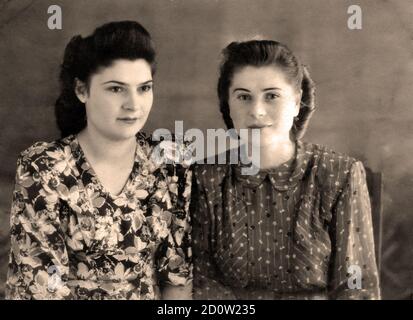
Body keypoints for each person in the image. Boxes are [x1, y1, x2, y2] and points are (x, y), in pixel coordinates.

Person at [6, 21, 192, 300]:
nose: (134, 105)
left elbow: (177, 280)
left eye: (144, 88)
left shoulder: (170, 162)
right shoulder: (44, 167)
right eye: (116, 89)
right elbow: (40, 289)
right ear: (82, 90)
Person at [190, 40, 380, 299]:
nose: (257, 111)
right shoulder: (206, 178)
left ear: (296, 101)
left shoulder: (338, 175)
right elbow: (202, 283)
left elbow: (357, 289)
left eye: (272, 96)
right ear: (228, 104)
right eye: (244, 97)